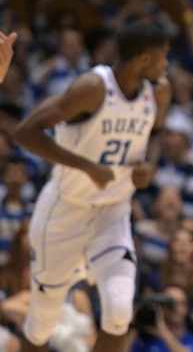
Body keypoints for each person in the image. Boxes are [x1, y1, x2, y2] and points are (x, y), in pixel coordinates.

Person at [12, 20, 172, 352]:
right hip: (65, 211)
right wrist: (85, 166)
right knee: (41, 324)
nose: (167, 65)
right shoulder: (92, 87)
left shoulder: (159, 90)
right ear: (143, 59)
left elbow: (155, 133)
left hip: (112, 213)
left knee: (118, 312)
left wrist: (150, 166)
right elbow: (25, 133)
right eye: (163, 57)